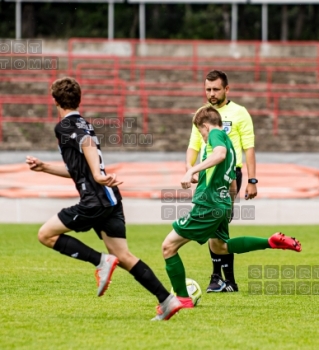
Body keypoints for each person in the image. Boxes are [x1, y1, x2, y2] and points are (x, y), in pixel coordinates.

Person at [25, 76, 182, 321]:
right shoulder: (84, 124)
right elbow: (79, 169)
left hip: (93, 201)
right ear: (79, 99)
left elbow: (87, 147)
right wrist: (45, 167)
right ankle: (167, 300)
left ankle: (101, 261)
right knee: (126, 257)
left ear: (54, 101)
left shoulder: (65, 126)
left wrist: (98, 175)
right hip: (109, 199)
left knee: (46, 234)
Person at [162, 105, 301, 308]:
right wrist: (223, 203)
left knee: (168, 247)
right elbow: (232, 184)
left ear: (206, 126)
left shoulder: (217, 135)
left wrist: (191, 170)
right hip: (222, 203)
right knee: (220, 247)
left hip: (207, 205)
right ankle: (270, 242)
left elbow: (218, 154)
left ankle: (182, 299)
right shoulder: (232, 147)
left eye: (201, 133)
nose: (202, 138)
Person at [187, 70, 257, 293]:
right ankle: (226, 281)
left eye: (216, 89)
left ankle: (220, 279)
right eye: (208, 89)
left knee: (217, 225)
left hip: (229, 175)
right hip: (207, 174)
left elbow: (249, 148)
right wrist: (190, 169)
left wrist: (252, 180)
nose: (211, 93)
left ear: (226, 89)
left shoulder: (239, 113)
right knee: (218, 226)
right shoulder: (202, 114)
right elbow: (193, 145)